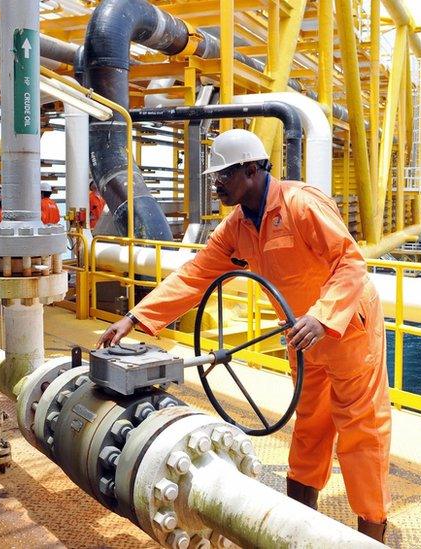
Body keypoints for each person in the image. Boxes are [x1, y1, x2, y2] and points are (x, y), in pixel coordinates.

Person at [96, 129, 391, 541]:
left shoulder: (300, 204)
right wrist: (135, 317)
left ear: (251, 170)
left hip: (348, 331)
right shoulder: (237, 226)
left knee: (360, 435)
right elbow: (196, 275)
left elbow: (351, 264)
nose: (215, 183)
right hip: (304, 339)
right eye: (215, 176)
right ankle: (298, 529)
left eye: (223, 175)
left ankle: (371, 535)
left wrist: (322, 317)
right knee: (309, 428)